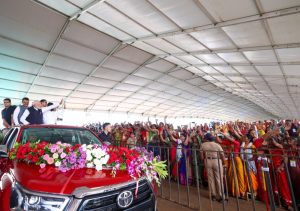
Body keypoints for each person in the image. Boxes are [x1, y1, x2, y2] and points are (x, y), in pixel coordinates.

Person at [200, 133, 225, 202]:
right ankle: (220, 196)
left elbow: (201, 157)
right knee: (219, 179)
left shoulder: (203, 145)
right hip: (216, 160)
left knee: (210, 179)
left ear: (206, 138)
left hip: (208, 160)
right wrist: (224, 163)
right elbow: (222, 155)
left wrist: (204, 161)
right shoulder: (217, 145)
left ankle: (213, 195)